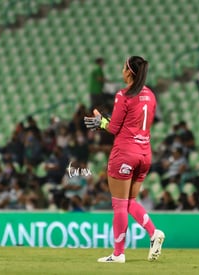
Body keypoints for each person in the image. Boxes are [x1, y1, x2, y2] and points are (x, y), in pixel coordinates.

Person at [84, 56, 165, 263]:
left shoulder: (124, 95)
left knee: (119, 205)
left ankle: (118, 254)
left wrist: (100, 122)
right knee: (130, 202)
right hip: (145, 153)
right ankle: (154, 233)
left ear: (130, 72)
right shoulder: (151, 95)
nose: (121, 70)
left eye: (123, 67)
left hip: (125, 153)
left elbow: (113, 128)